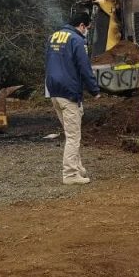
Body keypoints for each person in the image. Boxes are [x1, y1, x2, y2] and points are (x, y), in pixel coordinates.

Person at [45, 12, 101, 185]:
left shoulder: (53, 37)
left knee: (71, 132)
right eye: (88, 28)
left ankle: (78, 168)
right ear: (82, 26)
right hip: (69, 92)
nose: (87, 32)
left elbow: (48, 61)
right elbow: (84, 68)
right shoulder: (77, 40)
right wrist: (95, 90)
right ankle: (70, 174)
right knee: (73, 136)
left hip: (53, 90)